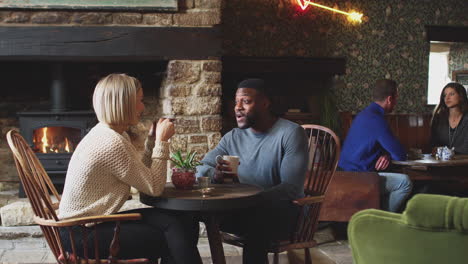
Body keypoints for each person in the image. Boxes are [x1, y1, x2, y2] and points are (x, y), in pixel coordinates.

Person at [58, 73, 202, 264]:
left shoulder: (111, 134)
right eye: (140, 101)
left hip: (88, 224)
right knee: (178, 232)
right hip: (82, 234)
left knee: (186, 221)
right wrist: (162, 142)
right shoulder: (111, 143)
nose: (143, 107)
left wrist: (151, 142)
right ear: (123, 103)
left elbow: (143, 176)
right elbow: (154, 187)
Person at [196, 78, 309, 264]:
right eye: (236, 101)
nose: (237, 107)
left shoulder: (290, 133)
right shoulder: (233, 137)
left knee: (257, 221)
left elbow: (291, 188)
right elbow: (201, 167)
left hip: (284, 214)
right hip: (243, 209)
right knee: (188, 215)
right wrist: (214, 175)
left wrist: (247, 200)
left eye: (246, 101)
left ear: (265, 103)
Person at [338, 79, 412, 212]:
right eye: (396, 98)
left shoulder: (364, 114)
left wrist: (386, 155)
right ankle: (381, 219)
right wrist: (390, 154)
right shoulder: (377, 120)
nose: (395, 103)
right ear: (390, 99)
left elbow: (375, 146)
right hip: (358, 178)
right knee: (404, 182)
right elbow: (400, 155)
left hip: (344, 173)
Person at [430, 82, 468, 154]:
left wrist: (448, 152)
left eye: (452, 94)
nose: (447, 98)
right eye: (445, 95)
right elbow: (433, 145)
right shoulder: (438, 119)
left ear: (461, 96)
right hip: (441, 162)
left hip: (464, 162)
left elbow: (466, 148)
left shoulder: (466, 119)